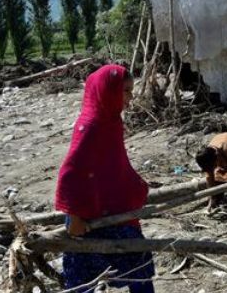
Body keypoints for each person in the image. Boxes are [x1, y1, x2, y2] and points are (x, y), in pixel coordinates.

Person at [55, 64, 155, 293]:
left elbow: (113, 166)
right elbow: (71, 173)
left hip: (112, 209)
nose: (131, 97)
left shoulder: (111, 121)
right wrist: (74, 216)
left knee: (139, 270)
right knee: (84, 277)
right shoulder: (90, 126)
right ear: (108, 91)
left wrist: (135, 186)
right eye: (126, 91)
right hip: (87, 217)